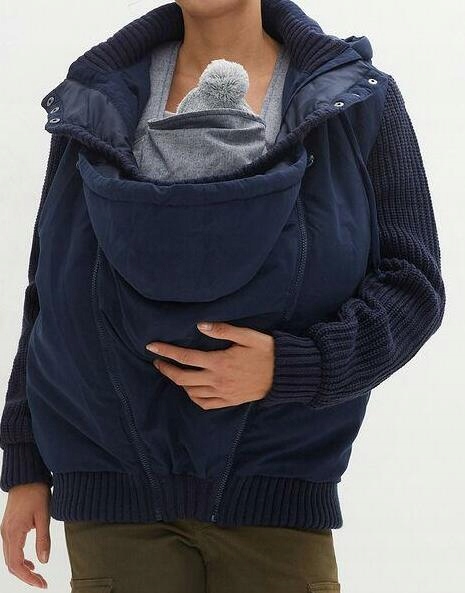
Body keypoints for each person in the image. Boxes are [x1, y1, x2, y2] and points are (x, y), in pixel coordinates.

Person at [0, 1, 446, 592]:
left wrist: (291, 367)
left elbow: (413, 286)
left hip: (278, 499)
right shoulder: (97, 98)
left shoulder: (354, 100)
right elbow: (52, 288)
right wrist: (24, 461)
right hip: (113, 503)